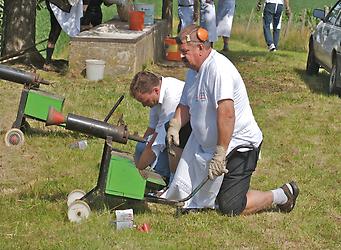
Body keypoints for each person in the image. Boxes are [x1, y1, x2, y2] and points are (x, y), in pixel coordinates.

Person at [164, 24, 299, 216]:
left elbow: (227, 113)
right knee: (200, 195)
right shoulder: (193, 72)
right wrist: (175, 125)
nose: (181, 56)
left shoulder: (219, 69)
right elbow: (185, 105)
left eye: (185, 52)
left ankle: (282, 194)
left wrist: (220, 153)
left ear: (200, 48)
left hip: (238, 146)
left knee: (230, 206)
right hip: (208, 144)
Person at [130, 71, 191, 183]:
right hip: (175, 134)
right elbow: (151, 129)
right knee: (141, 147)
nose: (144, 105)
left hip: (187, 139)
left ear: (156, 91)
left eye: (144, 101)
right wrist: (140, 154)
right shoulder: (157, 96)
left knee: (157, 154)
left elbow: (157, 143)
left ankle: (167, 181)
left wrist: (136, 171)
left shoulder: (171, 98)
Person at [44, 0, 83, 71]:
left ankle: (47, 62)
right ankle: (47, 63)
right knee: (57, 30)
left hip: (55, 3)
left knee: (55, 30)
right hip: (58, 4)